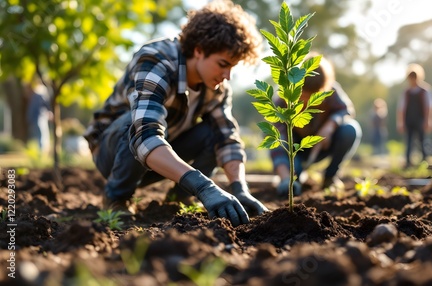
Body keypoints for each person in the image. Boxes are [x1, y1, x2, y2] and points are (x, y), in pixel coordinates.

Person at [83, 0, 268, 226]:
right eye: (223, 64)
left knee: (214, 132)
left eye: (232, 67)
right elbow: (144, 136)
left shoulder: (216, 88)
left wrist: (239, 188)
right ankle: (117, 197)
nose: (227, 75)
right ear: (199, 50)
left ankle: (179, 200)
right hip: (111, 153)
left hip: (157, 156)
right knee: (136, 121)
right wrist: (205, 186)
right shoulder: (156, 61)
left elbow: (227, 138)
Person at [270, 55, 362, 196]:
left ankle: (330, 176)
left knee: (350, 130)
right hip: (295, 152)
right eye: (303, 96)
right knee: (295, 175)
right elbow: (278, 142)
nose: (307, 102)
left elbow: (346, 110)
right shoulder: (282, 100)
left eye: (313, 97)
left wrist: (330, 126)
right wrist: (284, 178)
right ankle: (294, 176)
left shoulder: (331, 90)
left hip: (322, 147)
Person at [396, 63, 432, 168]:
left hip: (420, 119)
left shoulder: (425, 91)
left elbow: (429, 106)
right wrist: (401, 122)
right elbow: (401, 109)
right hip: (409, 120)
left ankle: (424, 160)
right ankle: (408, 162)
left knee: (423, 140)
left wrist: (428, 120)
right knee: (408, 141)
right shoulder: (406, 92)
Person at [26, 82, 52, 154]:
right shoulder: (41, 96)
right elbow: (46, 106)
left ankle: (40, 152)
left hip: (34, 120)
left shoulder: (34, 97)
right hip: (40, 119)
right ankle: (41, 153)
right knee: (42, 136)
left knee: (38, 136)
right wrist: (49, 112)